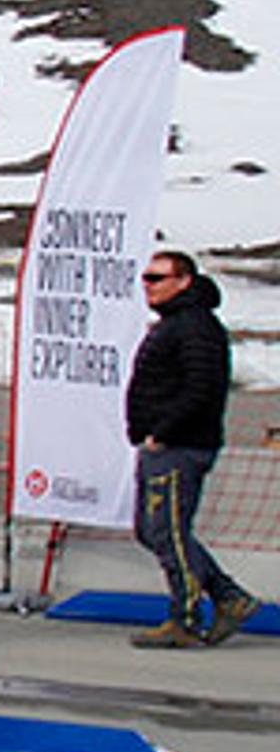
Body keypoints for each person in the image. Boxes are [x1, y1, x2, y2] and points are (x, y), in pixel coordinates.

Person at [126, 250, 252, 649]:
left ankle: (186, 615)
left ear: (183, 281)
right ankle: (230, 597)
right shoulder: (176, 324)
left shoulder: (195, 327)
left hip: (180, 446)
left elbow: (201, 388)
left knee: (168, 532)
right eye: (146, 278)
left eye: (158, 278)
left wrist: (162, 431)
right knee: (153, 531)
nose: (149, 285)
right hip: (164, 442)